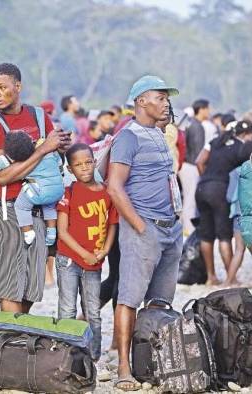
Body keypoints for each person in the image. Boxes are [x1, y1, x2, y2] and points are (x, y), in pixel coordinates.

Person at [107, 75, 182, 391]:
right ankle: (124, 368)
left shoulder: (159, 135)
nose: (166, 103)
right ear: (140, 101)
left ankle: (148, 363)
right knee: (129, 298)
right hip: (145, 228)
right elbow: (114, 186)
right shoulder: (128, 137)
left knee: (160, 301)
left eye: (167, 98)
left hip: (171, 228)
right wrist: (139, 226)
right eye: (160, 97)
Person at [0, 63, 71, 313]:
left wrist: (61, 146)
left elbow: (55, 151)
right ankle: (10, 343)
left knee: (31, 283)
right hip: (9, 210)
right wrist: (43, 149)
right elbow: (3, 177)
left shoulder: (39, 116)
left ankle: (17, 339)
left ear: (17, 87)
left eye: (2, 87)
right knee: (10, 284)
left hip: (40, 210)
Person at [56, 143, 118, 361]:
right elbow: (62, 232)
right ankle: (65, 356)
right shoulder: (68, 193)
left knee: (93, 312)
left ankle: (92, 358)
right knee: (67, 309)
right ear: (70, 169)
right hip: (69, 260)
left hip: (95, 262)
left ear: (95, 162)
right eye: (78, 165)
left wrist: (106, 249)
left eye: (88, 162)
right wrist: (84, 253)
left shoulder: (107, 194)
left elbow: (112, 224)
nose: (84, 168)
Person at [195, 120, 252, 286]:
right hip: (221, 191)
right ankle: (231, 278)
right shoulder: (242, 148)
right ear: (246, 134)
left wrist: (207, 179)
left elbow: (199, 161)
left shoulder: (216, 141)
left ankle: (211, 276)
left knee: (206, 235)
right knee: (224, 236)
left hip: (202, 188)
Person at [0, 130, 63, 246]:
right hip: (58, 190)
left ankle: (28, 232)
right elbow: (59, 163)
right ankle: (51, 233)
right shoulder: (47, 148)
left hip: (39, 191)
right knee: (49, 207)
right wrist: (61, 173)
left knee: (22, 206)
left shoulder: (19, 158)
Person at [179, 98, 210, 236]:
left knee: (187, 198)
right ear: (202, 109)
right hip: (191, 166)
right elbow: (198, 153)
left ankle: (185, 227)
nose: (209, 112)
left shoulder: (190, 123)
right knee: (190, 199)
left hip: (185, 165)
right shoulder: (197, 126)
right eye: (208, 109)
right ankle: (189, 229)